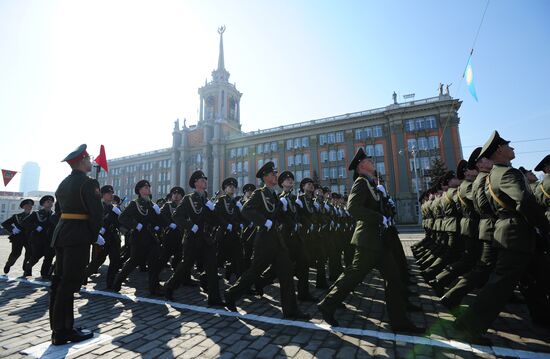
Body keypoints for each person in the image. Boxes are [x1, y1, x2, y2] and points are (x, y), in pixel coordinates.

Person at [454, 131, 550, 344]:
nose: (512, 149)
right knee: (500, 285)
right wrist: (544, 227)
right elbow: (524, 202)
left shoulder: (493, 175)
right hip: (516, 233)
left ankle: (541, 316)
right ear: (499, 150)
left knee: (535, 277)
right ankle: (468, 324)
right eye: (508, 145)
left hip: (509, 231)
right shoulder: (507, 174)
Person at [317, 148, 424, 334]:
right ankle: (328, 303)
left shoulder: (371, 184)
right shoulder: (360, 183)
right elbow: (353, 207)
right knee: (353, 275)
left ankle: (399, 321)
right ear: (361, 166)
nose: (371, 161)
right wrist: (378, 217)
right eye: (368, 159)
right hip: (368, 240)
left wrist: (385, 211)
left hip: (379, 240)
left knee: (394, 278)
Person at [224, 162, 310, 319]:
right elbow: (246, 210)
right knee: (254, 272)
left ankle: (291, 310)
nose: (275, 176)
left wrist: (292, 222)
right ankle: (231, 294)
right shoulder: (259, 193)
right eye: (272, 174)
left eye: (275, 174)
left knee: (286, 273)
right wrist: (264, 222)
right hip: (264, 241)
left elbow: (280, 216)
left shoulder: (274, 195)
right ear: (265, 177)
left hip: (277, 240)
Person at [50, 144, 103, 345]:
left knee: (60, 282)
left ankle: (62, 327)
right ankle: (62, 332)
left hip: (62, 235)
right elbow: (96, 214)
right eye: (88, 159)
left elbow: (58, 212)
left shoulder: (63, 184)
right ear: (82, 162)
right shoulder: (88, 183)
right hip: (78, 237)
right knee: (69, 283)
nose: (91, 162)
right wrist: (93, 235)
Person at [164, 170, 225, 306]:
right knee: (186, 265)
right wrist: (190, 226)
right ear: (195, 183)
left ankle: (214, 298)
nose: (204, 182)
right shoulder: (188, 199)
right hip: (192, 238)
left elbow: (215, 221)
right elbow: (176, 216)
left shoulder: (207, 200)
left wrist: (214, 210)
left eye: (205, 180)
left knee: (212, 267)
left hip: (206, 238)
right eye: (201, 180)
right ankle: (169, 286)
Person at [112, 180, 164, 295]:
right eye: (146, 187)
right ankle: (117, 282)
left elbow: (157, 221)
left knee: (153, 263)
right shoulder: (134, 204)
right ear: (140, 190)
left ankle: (153, 288)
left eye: (149, 187)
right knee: (133, 262)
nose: (148, 189)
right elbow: (122, 218)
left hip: (151, 238)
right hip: (139, 238)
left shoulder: (152, 204)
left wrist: (158, 218)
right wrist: (136, 225)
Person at [85, 185, 122, 288]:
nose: (111, 195)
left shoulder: (114, 208)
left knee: (115, 260)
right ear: (103, 195)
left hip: (113, 237)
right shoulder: (97, 207)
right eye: (108, 193)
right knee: (99, 260)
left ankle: (111, 282)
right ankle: (83, 276)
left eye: (112, 193)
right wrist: (98, 231)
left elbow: (119, 224)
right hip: (103, 238)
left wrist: (120, 216)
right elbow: (92, 220)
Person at [22, 195, 56, 278]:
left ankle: (45, 273)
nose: (50, 203)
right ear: (43, 204)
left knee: (49, 256)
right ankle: (27, 268)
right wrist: (35, 227)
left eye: (51, 202)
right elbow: (24, 222)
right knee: (36, 256)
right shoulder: (36, 214)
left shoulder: (54, 214)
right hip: (38, 239)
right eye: (48, 202)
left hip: (49, 239)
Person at [2, 199, 34, 275]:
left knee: (30, 253)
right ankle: (9, 264)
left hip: (29, 238)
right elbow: (5, 223)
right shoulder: (17, 216)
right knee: (16, 253)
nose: (29, 206)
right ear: (23, 207)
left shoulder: (35, 216)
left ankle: (26, 269)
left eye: (31, 205)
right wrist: (13, 229)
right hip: (18, 237)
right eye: (27, 205)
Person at [158, 186, 185, 271]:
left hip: (181, 234)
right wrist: (169, 224)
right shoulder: (167, 205)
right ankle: (154, 276)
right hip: (170, 234)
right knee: (165, 256)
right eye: (174, 194)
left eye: (178, 194)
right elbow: (161, 216)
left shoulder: (184, 206)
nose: (176, 196)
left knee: (179, 255)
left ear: (182, 196)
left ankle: (176, 274)